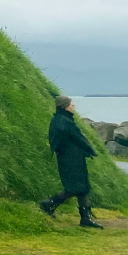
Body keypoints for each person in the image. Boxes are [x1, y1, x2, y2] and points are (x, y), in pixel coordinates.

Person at [40, 95, 103, 229]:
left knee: (83, 188)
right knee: (75, 188)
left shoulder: (60, 120)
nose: (73, 106)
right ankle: (49, 203)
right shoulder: (64, 121)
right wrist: (89, 149)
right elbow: (76, 139)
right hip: (70, 160)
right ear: (65, 106)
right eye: (71, 104)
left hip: (72, 158)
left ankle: (85, 218)